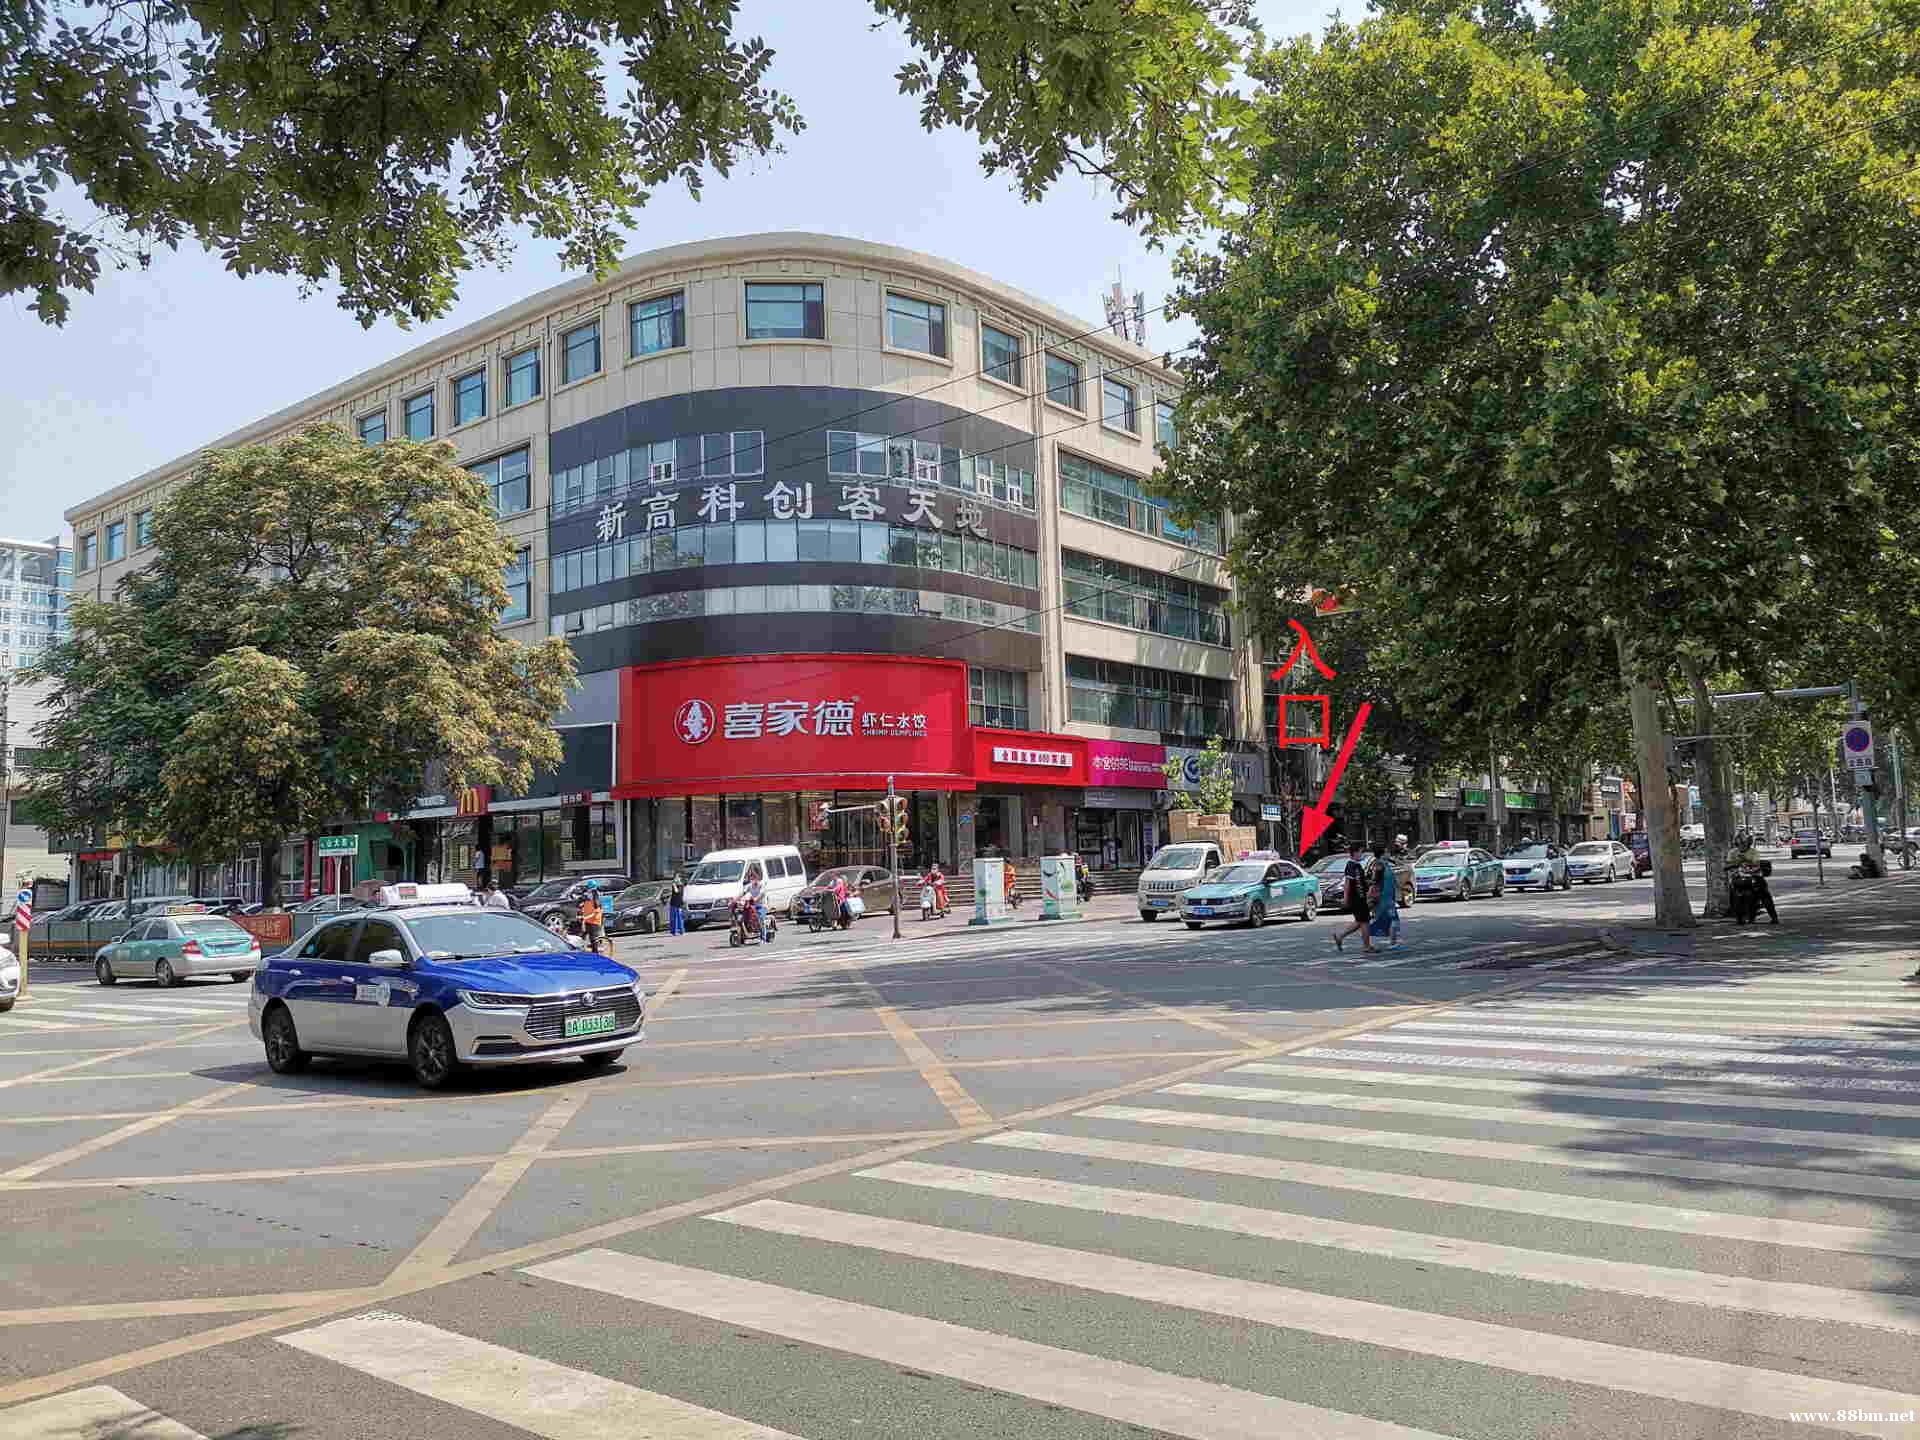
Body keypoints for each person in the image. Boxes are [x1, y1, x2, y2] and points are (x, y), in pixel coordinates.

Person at [1726, 830, 1779, 923]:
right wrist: (1734, 865)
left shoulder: (1753, 852)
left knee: (1764, 894)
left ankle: (1774, 917)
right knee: (1733, 892)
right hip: (1738, 876)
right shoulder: (1732, 852)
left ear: (1748, 843)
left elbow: (1756, 863)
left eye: (1744, 844)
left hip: (1754, 875)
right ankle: (1739, 916)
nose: (1742, 846)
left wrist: (1747, 860)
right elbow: (1728, 864)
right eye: (1739, 844)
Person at [1331, 841, 1374, 952]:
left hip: (1361, 897)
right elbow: (1347, 884)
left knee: (1360, 921)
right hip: (1356, 898)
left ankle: (1340, 936)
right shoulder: (1351, 866)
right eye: (1361, 852)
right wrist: (1346, 898)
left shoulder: (1357, 866)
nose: (1362, 855)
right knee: (1364, 921)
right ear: (1355, 853)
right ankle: (1366, 946)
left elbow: (1360, 882)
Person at [1367, 842, 1403, 948]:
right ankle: (1393, 942)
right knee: (1393, 919)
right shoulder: (1379, 865)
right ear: (1382, 854)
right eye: (1387, 852)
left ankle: (1392, 941)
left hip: (1388, 897)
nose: (1389, 854)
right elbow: (1375, 881)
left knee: (1387, 919)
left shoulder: (1385, 864)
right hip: (1384, 897)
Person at [578, 880, 608, 954]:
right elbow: (584, 907)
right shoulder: (588, 899)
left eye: (590, 891)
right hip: (588, 920)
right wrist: (581, 914)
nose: (589, 893)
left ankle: (596, 951)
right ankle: (593, 947)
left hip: (594, 921)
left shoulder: (596, 899)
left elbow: (595, 913)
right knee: (586, 936)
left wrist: (584, 917)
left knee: (593, 938)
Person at [744, 864, 770, 942]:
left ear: (758, 877)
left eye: (754, 877)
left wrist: (756, 899)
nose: (753, 879)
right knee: (744, 916)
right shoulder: (749, 886)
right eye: (751, 877)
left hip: (762, 906)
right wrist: (735, 899)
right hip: (752, 906)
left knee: (760, 919)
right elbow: (743, 893)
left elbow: (761, 894)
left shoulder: (761, 885)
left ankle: (763, 938)